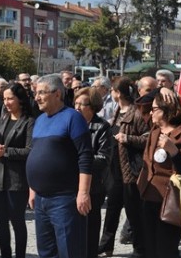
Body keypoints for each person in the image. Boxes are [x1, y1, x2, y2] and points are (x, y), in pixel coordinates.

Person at [26, 74, 93, 258]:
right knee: (46, 252)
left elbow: (85, 156)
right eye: (35, 93)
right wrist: (33, 188)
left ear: (57, 94)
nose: (37, 97)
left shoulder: (73, 118)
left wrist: (83, 192)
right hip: (41, 200)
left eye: (41, 92)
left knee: (69, 251)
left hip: (65, 200)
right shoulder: (39, 120)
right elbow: (36, 154)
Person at [137, 91, 181, 258]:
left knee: (166, 249)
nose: (150, 112)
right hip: (149, 195)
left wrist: (174, 151)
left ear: (165, 111)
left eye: (154, 109)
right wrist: (159, 90)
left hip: (170, 200)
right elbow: (141, 105)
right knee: (149, 248)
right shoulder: (156, 129)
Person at [0, 83, 35, 258]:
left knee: (17, 221)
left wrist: (5, 152)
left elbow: (30, 150)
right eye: (4, 99)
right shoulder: (3, 118)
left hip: (17, 180)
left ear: (20, 99)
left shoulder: (29, 122)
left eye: (10, 98)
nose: (6, 102)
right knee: (0, 222)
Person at [109, 76, 147, 258]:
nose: (110, 93)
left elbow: (148, 139)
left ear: (118, 93)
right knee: (112, 209)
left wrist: (128, 139)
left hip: (131, 169)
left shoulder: (136, 113)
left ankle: (140, 248)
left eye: (112, 90)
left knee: (134, 212)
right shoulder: (117, 111)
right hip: (115, 168)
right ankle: (105, 245)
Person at [74, 87, 112, 258]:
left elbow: (103, 159)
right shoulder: (71, 123)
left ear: (93, 106)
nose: (77, 107)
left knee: (90, 228)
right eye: (75, 103)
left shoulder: (102, 127)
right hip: (70, 184)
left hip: (94, 186)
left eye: (81, 104)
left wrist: (79, 161)